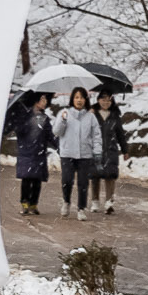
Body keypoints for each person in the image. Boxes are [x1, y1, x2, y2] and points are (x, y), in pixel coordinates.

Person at [53, 87, 102, 220]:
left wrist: (97, 152)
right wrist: (63, 120)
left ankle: (81, 209)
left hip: (85, 154)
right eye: (76, 97)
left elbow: (96, 135)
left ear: (86, 99)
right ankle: (66, 202)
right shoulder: (64, 113)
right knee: (67, 181)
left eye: (81, 97)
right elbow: (57, 132)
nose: (79, 100)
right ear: (72, 99)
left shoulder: (90, 117)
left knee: (83, 183)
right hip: (67, 153)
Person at [13, 92, 53, 215]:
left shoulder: (45, 118)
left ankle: (33, 204)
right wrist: (29, 122)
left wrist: (59, 145)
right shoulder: (25, 116)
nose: (44, 102)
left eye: (46, 100)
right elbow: (19, 130)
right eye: (42, 99)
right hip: (27, 152)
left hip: (39, 153)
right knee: (26, 179)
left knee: (37, 181)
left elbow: (49, 135)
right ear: (36, 101)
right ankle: (24, 203)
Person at [94, 90, 125, 214]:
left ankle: (109, 201)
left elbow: (121, 135)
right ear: (98, 100)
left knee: (110, 175)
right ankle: (95, 200)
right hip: (96, 149)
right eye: (103, 99)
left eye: (108, 99)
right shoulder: (93, 115)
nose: (106, 102)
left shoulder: (115, 116)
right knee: (95, 175)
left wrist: (125, 149)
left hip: (111, 149)